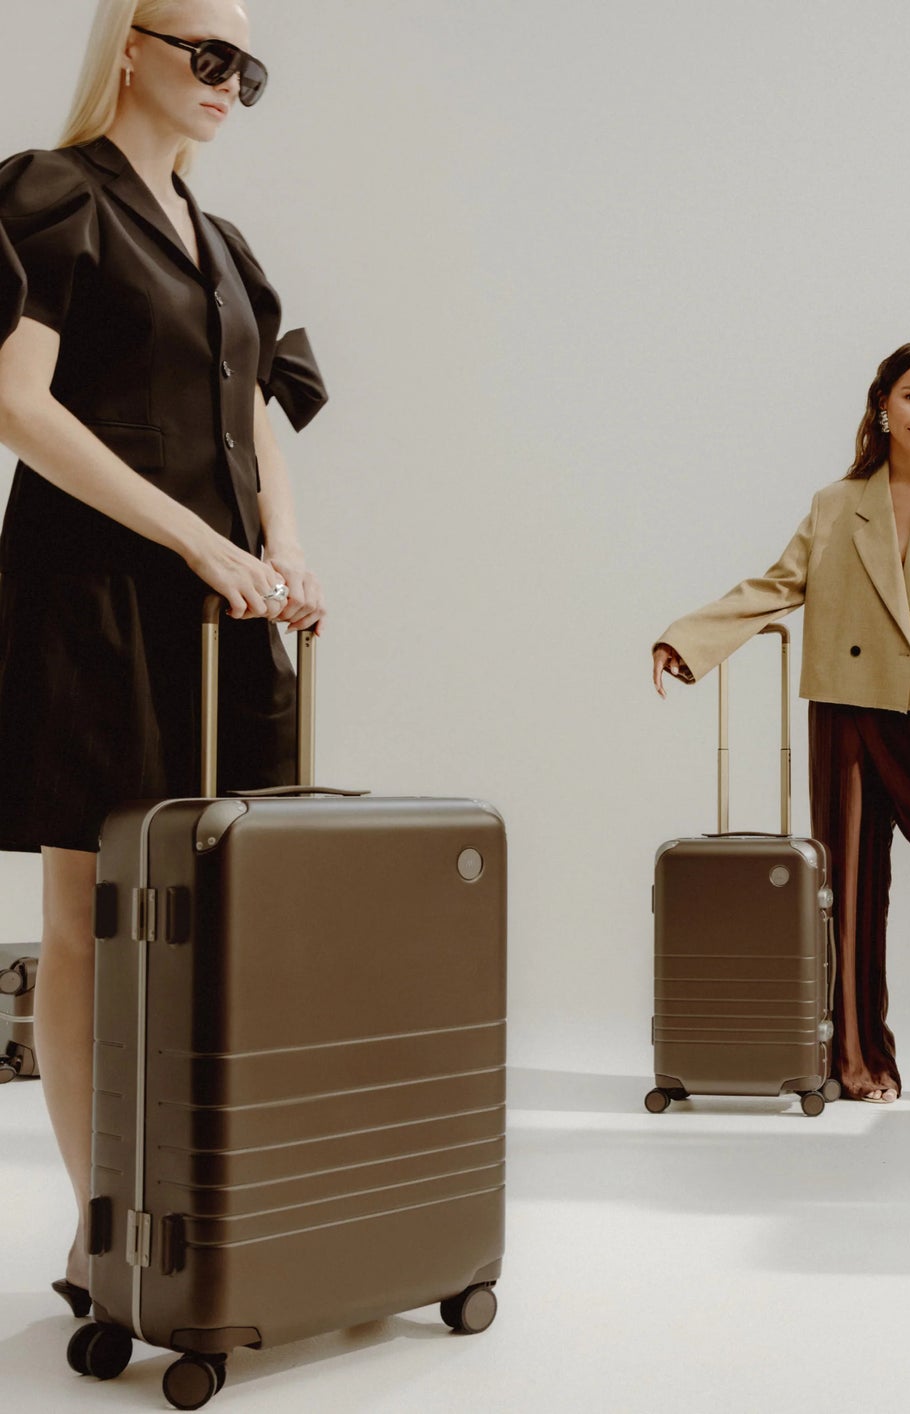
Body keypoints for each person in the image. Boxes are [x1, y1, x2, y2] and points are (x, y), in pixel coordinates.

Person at [0, 0, 328, 1304]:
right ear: (128, 45)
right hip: (94, 600)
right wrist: (200, 539)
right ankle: (98, 1228)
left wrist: (284, 551)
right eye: (206, 53)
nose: (227, 83)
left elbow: (261, 420)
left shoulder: (228, 246)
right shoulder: (50, 195)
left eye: (245, 66)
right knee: (89, 915)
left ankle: (207, 1206)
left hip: (224, 614)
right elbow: (18, 405)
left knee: (226, 912)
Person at [652, 342, 910, 1108]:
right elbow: (780, 584)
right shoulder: (838, 504)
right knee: (847, 889)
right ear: (883, 403)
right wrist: (690, 639)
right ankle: (859, 1067)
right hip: (849, 707)